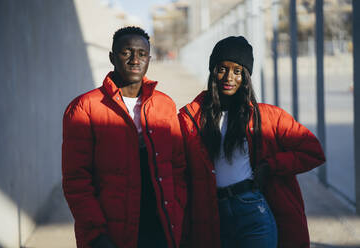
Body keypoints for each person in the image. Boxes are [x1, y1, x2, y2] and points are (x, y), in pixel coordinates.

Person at [178, 36, 326, 248]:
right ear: (212, 71)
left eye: (237, 71)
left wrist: (271, 166)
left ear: (245, 76)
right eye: (222, 69)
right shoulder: (190, 118)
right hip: (212, 214)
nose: (229, 77)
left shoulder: (268, 116)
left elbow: (313, 152)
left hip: (253, 210)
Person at [62, 26, 187, 248]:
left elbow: (177, 165)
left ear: (149, 58)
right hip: (111, 233)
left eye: (141, 54)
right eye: (126, 52)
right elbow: (76, 179)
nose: (134, 60)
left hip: (160, 228)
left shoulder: (164, 105)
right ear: (112, 57)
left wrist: (177, 209)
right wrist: (96, 234)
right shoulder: (85, 108)